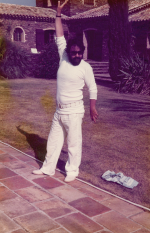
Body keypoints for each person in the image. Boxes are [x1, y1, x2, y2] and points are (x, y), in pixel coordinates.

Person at [33, 0, 98, 182]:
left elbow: (92, 88)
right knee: (53, 141)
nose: (77, 55)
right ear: (69, 52)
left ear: (82, 52)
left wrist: (92, 108)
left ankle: (72, 171)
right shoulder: (63, 57)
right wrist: (58, 14)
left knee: (73, 143)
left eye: (80, 52)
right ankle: (48, 168)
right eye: (74, 52)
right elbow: (60, 35)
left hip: (74, 110)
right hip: (59, 110)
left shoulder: (85, 67)